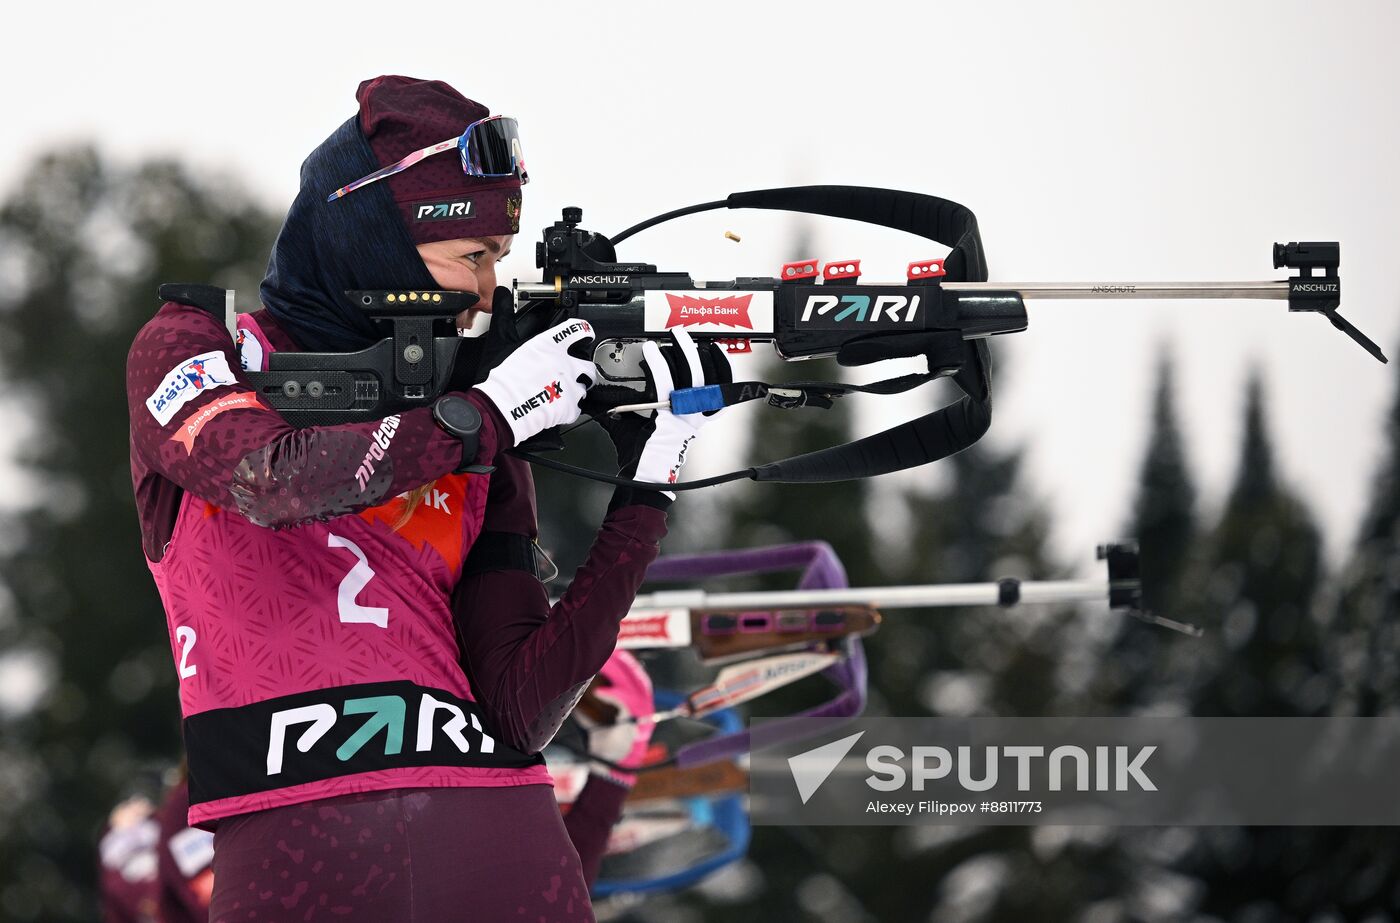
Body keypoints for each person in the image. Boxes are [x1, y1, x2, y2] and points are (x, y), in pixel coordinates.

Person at [125, 75, 724, 921]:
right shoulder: (199, 347)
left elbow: (520, 707)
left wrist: (647, 487)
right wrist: (483, 418)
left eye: (498, 264)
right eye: (472, 258)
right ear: (380, 244)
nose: (486, 297)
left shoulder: (476, 423)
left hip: (501, 842)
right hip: (295, 860)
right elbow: (267, 477)